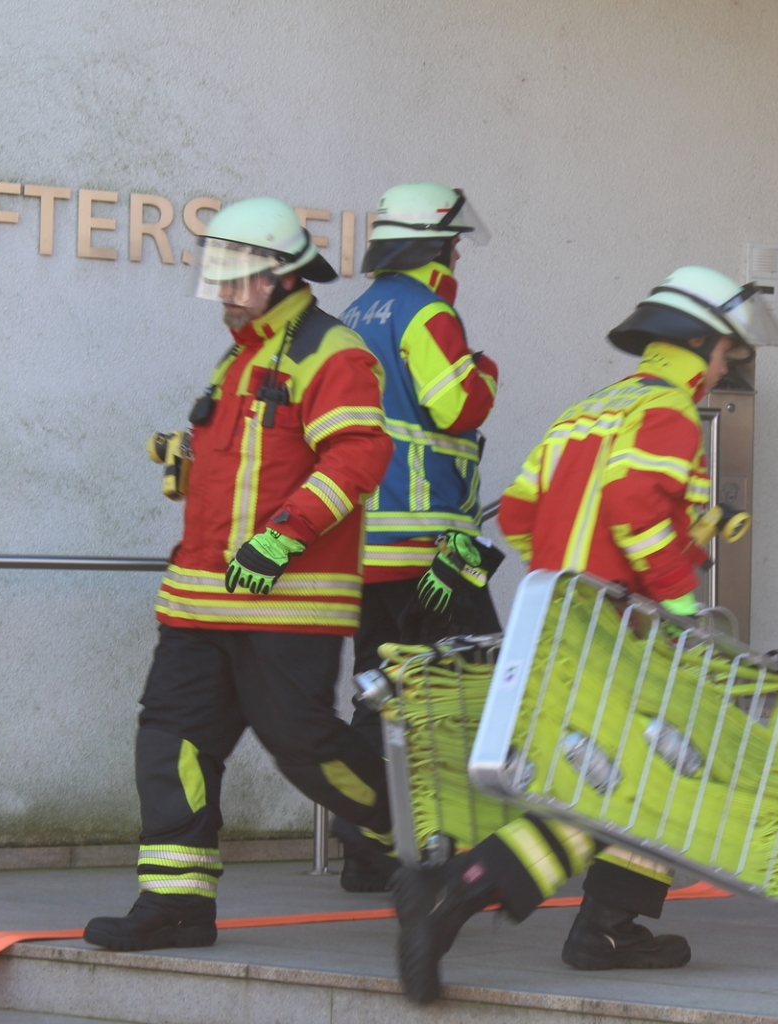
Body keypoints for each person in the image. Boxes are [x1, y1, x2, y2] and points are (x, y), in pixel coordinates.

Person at [391, 266, 778, 1003]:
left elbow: (519, 514)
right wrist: (682, 605)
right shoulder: (667, 415)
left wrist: (572, 579)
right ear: (697, 341)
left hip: (558, 629)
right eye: (727, 349)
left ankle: (606, 925)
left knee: (634, 782)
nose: (730, 362)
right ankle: (457, 892)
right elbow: (635, 510)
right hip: (619, 638)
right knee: (621, 794)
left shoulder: (590, 410)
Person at [83, 197, 394, 951]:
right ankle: (176, 904)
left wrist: (280, 540)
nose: (223, 291)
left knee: (306, 748)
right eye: (217, 276)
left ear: (284, 277)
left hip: (288, 605)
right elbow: (252, 464)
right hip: (200, 602)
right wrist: (185, 456)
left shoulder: (334, 352)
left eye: (238, 277)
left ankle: (419, 832)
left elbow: (357, 457)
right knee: (172, 742)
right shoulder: (243, 353)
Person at [331, 182, 504, 891]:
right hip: (433, 544)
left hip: (368, 545)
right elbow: (456, 406)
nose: (460, 255)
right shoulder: (427, 313)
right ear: (436, 246)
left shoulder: (354, 312)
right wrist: (487, 370)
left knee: (381, 690)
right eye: (455, 244)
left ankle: (364, 845)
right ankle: (461, 848)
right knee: (471, 688)